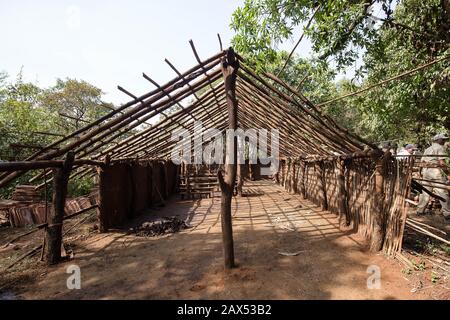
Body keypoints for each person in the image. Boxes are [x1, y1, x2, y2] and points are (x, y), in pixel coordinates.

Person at [416, 133, 450, 220]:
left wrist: (421, 173)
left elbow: (422, 162)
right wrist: (448, 174)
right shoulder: (440, 148)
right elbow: (442, 163)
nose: (444, 141)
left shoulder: (428, 149)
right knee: (442, 192)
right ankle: (447, 213)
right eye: (442, 139)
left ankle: (420, 210)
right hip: (435, 172)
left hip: (426, 171)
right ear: (437, 140)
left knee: (426, 192)